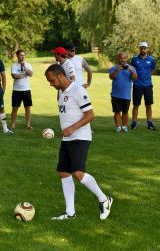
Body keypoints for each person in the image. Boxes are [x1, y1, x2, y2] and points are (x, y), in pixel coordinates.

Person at [45, 64, 113, 221]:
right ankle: (70, 212)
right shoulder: (61, 93)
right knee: (64, 173)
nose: (51, 84)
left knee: (77, 173)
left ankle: (104, 199)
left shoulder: (78, 90)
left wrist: (72, 128)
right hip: (67, 138)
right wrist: (66, 130)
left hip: (80, 137)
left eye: (52, 80)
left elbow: (90, 115)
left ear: (61, 75)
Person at [129, 41, 157, 130]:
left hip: (148, 85)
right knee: (136, 105)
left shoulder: (151, 59)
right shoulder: (134, 59)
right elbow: (131, 69)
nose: (143, 49)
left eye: (144, 48)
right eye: (141, 48)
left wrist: (147, 77)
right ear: (139, 49)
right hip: (137, 85)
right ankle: (134, 123)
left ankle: (149, 123)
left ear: (147, 49)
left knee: (148, 105)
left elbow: (152, 70)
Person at [109, 52, 138, 132]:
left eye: (124, 58)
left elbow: (135, 78)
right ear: (118, 58)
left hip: (126, 95)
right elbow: (111, 77)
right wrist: (117, 70)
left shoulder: (132, 68)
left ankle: (124, 126)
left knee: (125, 112)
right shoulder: (114, 68)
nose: (123, 60)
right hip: (115, 94)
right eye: (121, 58)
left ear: (126, 58)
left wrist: (131, 71)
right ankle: (118, 127)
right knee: (117, 112)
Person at [10, 49, 33, 130]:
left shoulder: (28, 65)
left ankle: (28, 125)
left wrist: (24, 67)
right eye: (21, 55)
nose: (22, 57)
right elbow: (14, 76)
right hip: (17, 90)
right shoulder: (14, 65)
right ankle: (12, 124)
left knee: (27, 108)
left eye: (23, 55)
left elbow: (30, 74)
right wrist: (24, 74)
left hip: (26, 90)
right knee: (15, 108)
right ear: (17, 56)